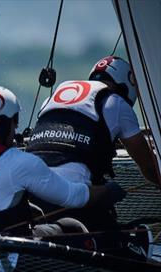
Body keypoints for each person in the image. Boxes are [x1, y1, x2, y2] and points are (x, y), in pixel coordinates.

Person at [0, 85, 126, 238]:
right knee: (72, 226)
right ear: (1, 124)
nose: (15, 127)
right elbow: (72, 196)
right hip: (6, 259)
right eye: (14, 120)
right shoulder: (19, 162)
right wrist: (107, 191)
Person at [25, 55, 160, 230]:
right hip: (74, 199)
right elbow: (151, 168)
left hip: (31, 194)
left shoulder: (53, 98)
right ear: (128, 86)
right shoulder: (117, 103)